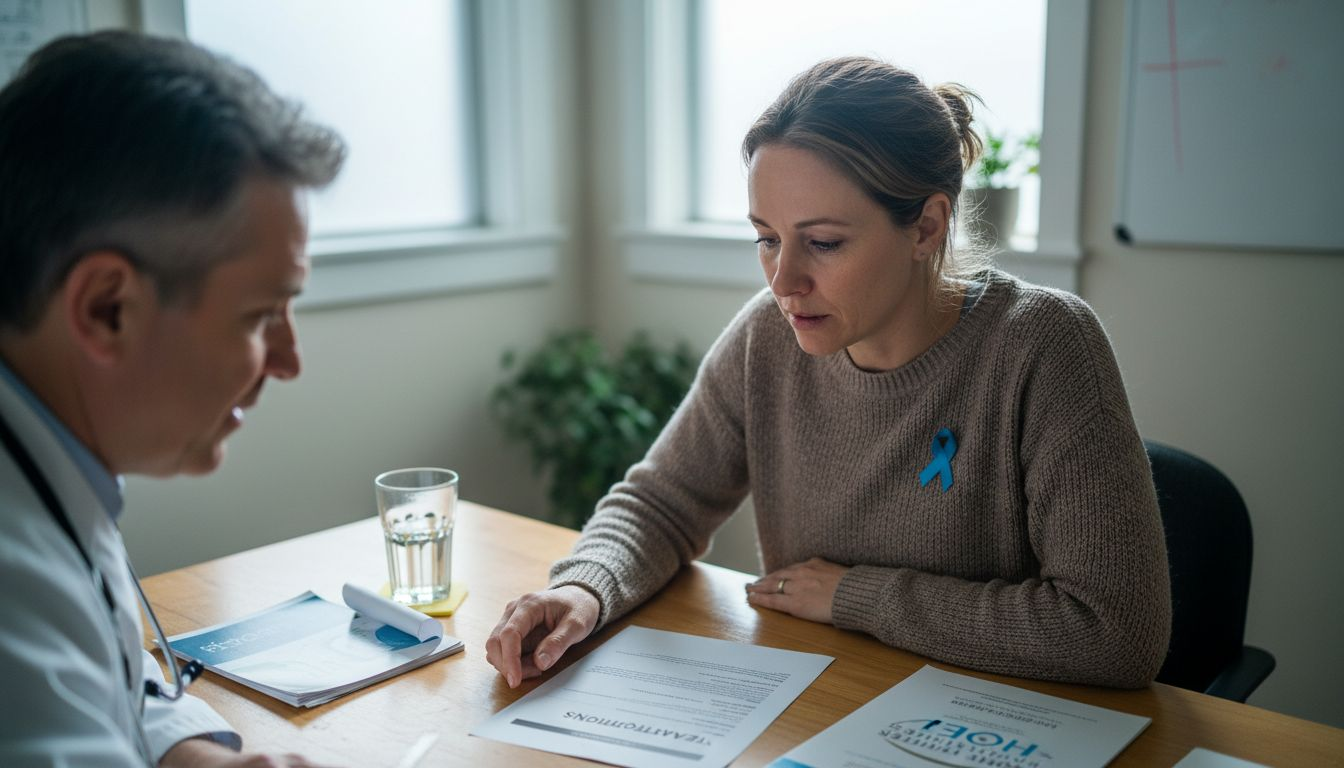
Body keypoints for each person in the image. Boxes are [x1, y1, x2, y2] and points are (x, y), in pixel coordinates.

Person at [486, 56, 1172, 690]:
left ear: (927, 227)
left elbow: (1114, 632)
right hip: (821, 700)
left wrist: (855, 596)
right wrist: (583, 588)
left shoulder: (1043, 345)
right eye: (767, 238)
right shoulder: (768, 335)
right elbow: (662, 503)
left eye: (823, 243)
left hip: (1003, 718)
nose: (784, 280)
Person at [0, 32, 345, 766]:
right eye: (259, 317)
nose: (288, 362)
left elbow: (116, 684)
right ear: (106, 310)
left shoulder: (49, 447)